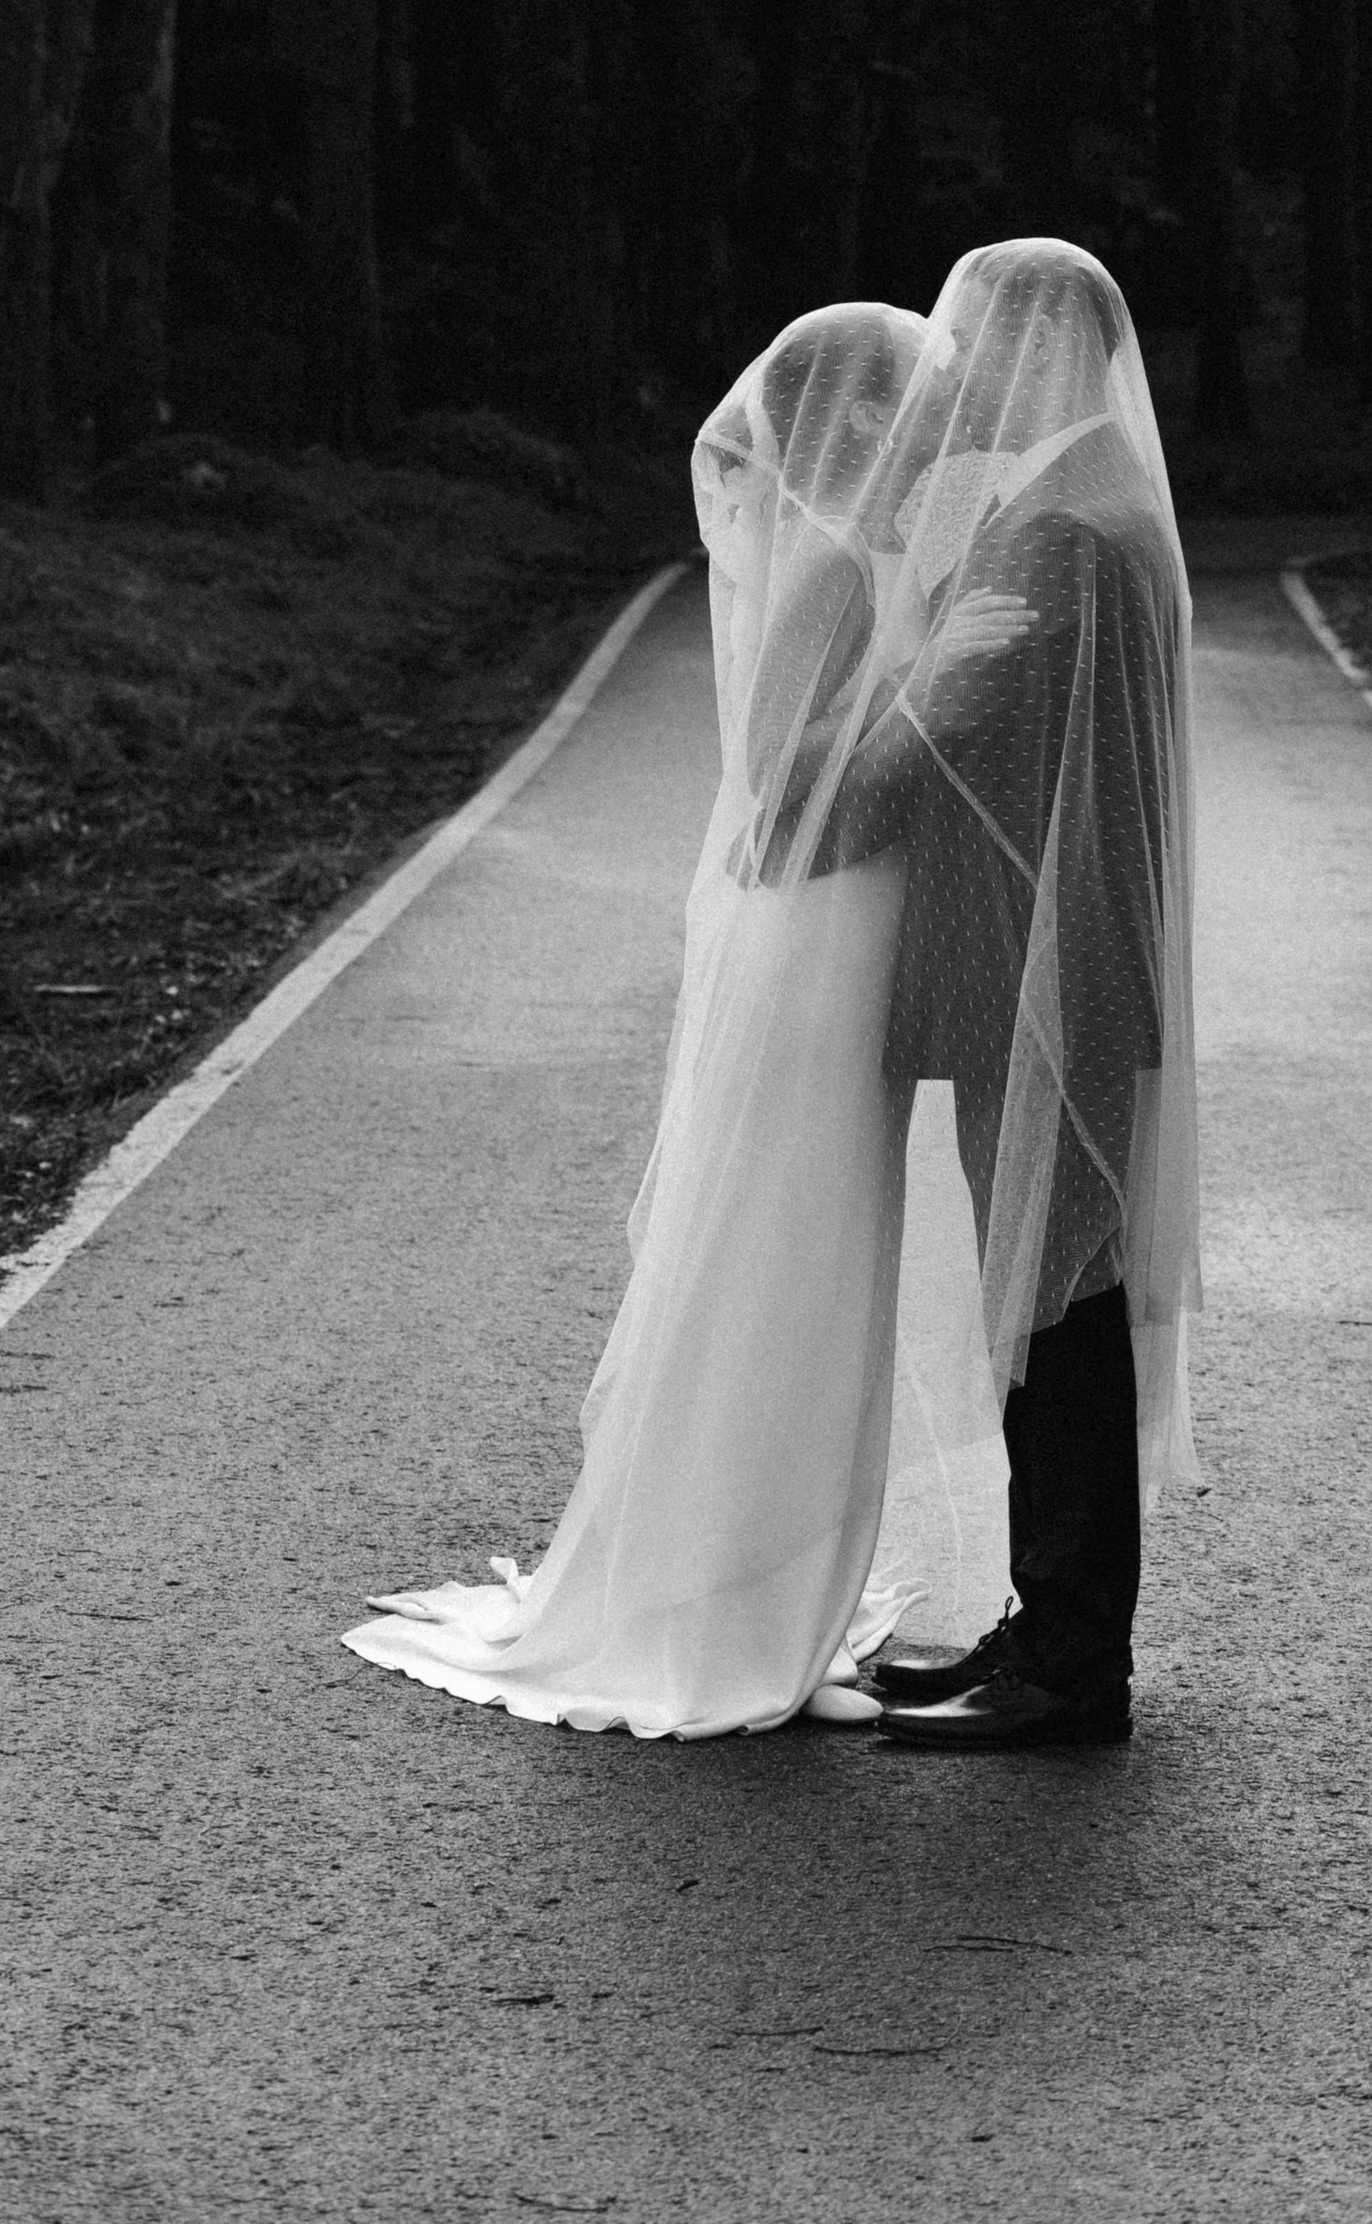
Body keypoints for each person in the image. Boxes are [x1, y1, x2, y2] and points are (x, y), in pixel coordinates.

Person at [343, 299, 967, 1736]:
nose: (938, 431)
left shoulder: (862, 550)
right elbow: (784, 782)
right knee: (782, 1249)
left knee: (823, 1253)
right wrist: (932, 721)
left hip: (844, 934)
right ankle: (726, 1599)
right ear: (860, 421)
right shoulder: (828, 565)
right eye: (917, 407)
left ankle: (779, 1585)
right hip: (815, 939)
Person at [839, 237, 1203, 1752]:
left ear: (1033, 349)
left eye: (969, 340)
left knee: (1055, 1307)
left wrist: (834, 774)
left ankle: (1069, 1661)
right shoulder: (1087, 492)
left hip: (1041, 967)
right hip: (1058, 958)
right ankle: (1048, 1623)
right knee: (1050, 1296)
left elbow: (920, 759)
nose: (946, 369)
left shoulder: (1058, 526)